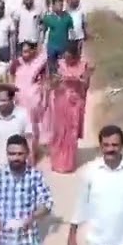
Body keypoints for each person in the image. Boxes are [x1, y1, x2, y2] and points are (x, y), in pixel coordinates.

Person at [49, 42, 92, 174]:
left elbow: (86, 85)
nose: (67, 60)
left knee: (71, 134)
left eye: (70, 58)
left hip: (75, 102)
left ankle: (68, 163)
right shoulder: (59, 64)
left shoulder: (84, 65)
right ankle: (56, 161)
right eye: (65, 57)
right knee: (60, 132)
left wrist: (78, 80)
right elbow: (52, 83)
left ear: (75, 57)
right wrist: (59, 80)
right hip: (61, 100)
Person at [0, 83, 33, 177]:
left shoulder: (23, 115)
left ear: (12, 99)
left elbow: (29, 141)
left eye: (4, 100)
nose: (0, 104)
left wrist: (31, 164)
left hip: (19, 165)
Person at [9, 41, 52, 154]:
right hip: (19, 99)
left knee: (32, 125)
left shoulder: (40, 64)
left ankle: (32, 152)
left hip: (34, 100)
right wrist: (12, 95)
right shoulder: (16, 63)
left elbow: (45, 81)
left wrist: (45, 98)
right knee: (21, 125)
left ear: (34, 51)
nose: (25, 54)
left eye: (28, 51)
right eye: (23, 51)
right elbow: (11, 79)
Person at [42, 0, 74, 65]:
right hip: (51, 47)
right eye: (58, 4)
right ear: (53, 6)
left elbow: (71, 31)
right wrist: (42, 43)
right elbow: (44, 30)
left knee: (62, 66)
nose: (60, 6)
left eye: (61, 4)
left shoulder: (67, 17)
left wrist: (70, 46)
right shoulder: (48, 18)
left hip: (63, 46)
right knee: (51, 65)